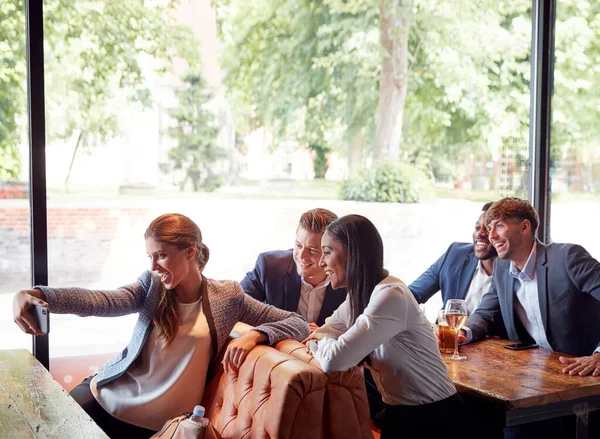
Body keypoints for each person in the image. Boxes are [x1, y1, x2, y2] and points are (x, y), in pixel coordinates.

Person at [13, 213, 309, 439]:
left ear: (190, 252)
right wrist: (37, 294)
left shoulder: (228, 296)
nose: (153, 266)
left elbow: (296, 323)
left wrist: (257, 335)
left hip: (158, 424)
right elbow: (99, 300)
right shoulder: (150, 287)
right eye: (150, 257)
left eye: (162, 255)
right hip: (108, 397)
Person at [305, 214, 462, 439]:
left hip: (438, 419)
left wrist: (321, 342)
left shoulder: (391, 296)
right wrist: (321, 339)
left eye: (327, 252)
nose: (321, 262)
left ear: (353, 253)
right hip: (399, 415)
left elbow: (333, 359)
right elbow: (324, 331)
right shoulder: (358, 297)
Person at [460, 198, 600, 439]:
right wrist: (463, 333)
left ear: (525, 227)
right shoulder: (503, 269)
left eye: (499, 226)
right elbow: (485, 313)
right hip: (538, 380)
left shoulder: (567, 257)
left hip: (582, 384)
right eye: (489, 226)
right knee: (471, 413)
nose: (490, 234)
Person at [241, 208, 347, 332]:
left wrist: (327, 332)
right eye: (298, 245)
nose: (301, 256)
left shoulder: (349, 281)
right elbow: (235, 307)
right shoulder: (269, 266)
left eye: (312, 250)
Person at [409, 201, 498, 314]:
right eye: (477, 227)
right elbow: (411, 295)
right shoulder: (456, 254)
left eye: (488, 229)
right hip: (445, 331)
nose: (480, 234)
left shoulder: (516, 271)